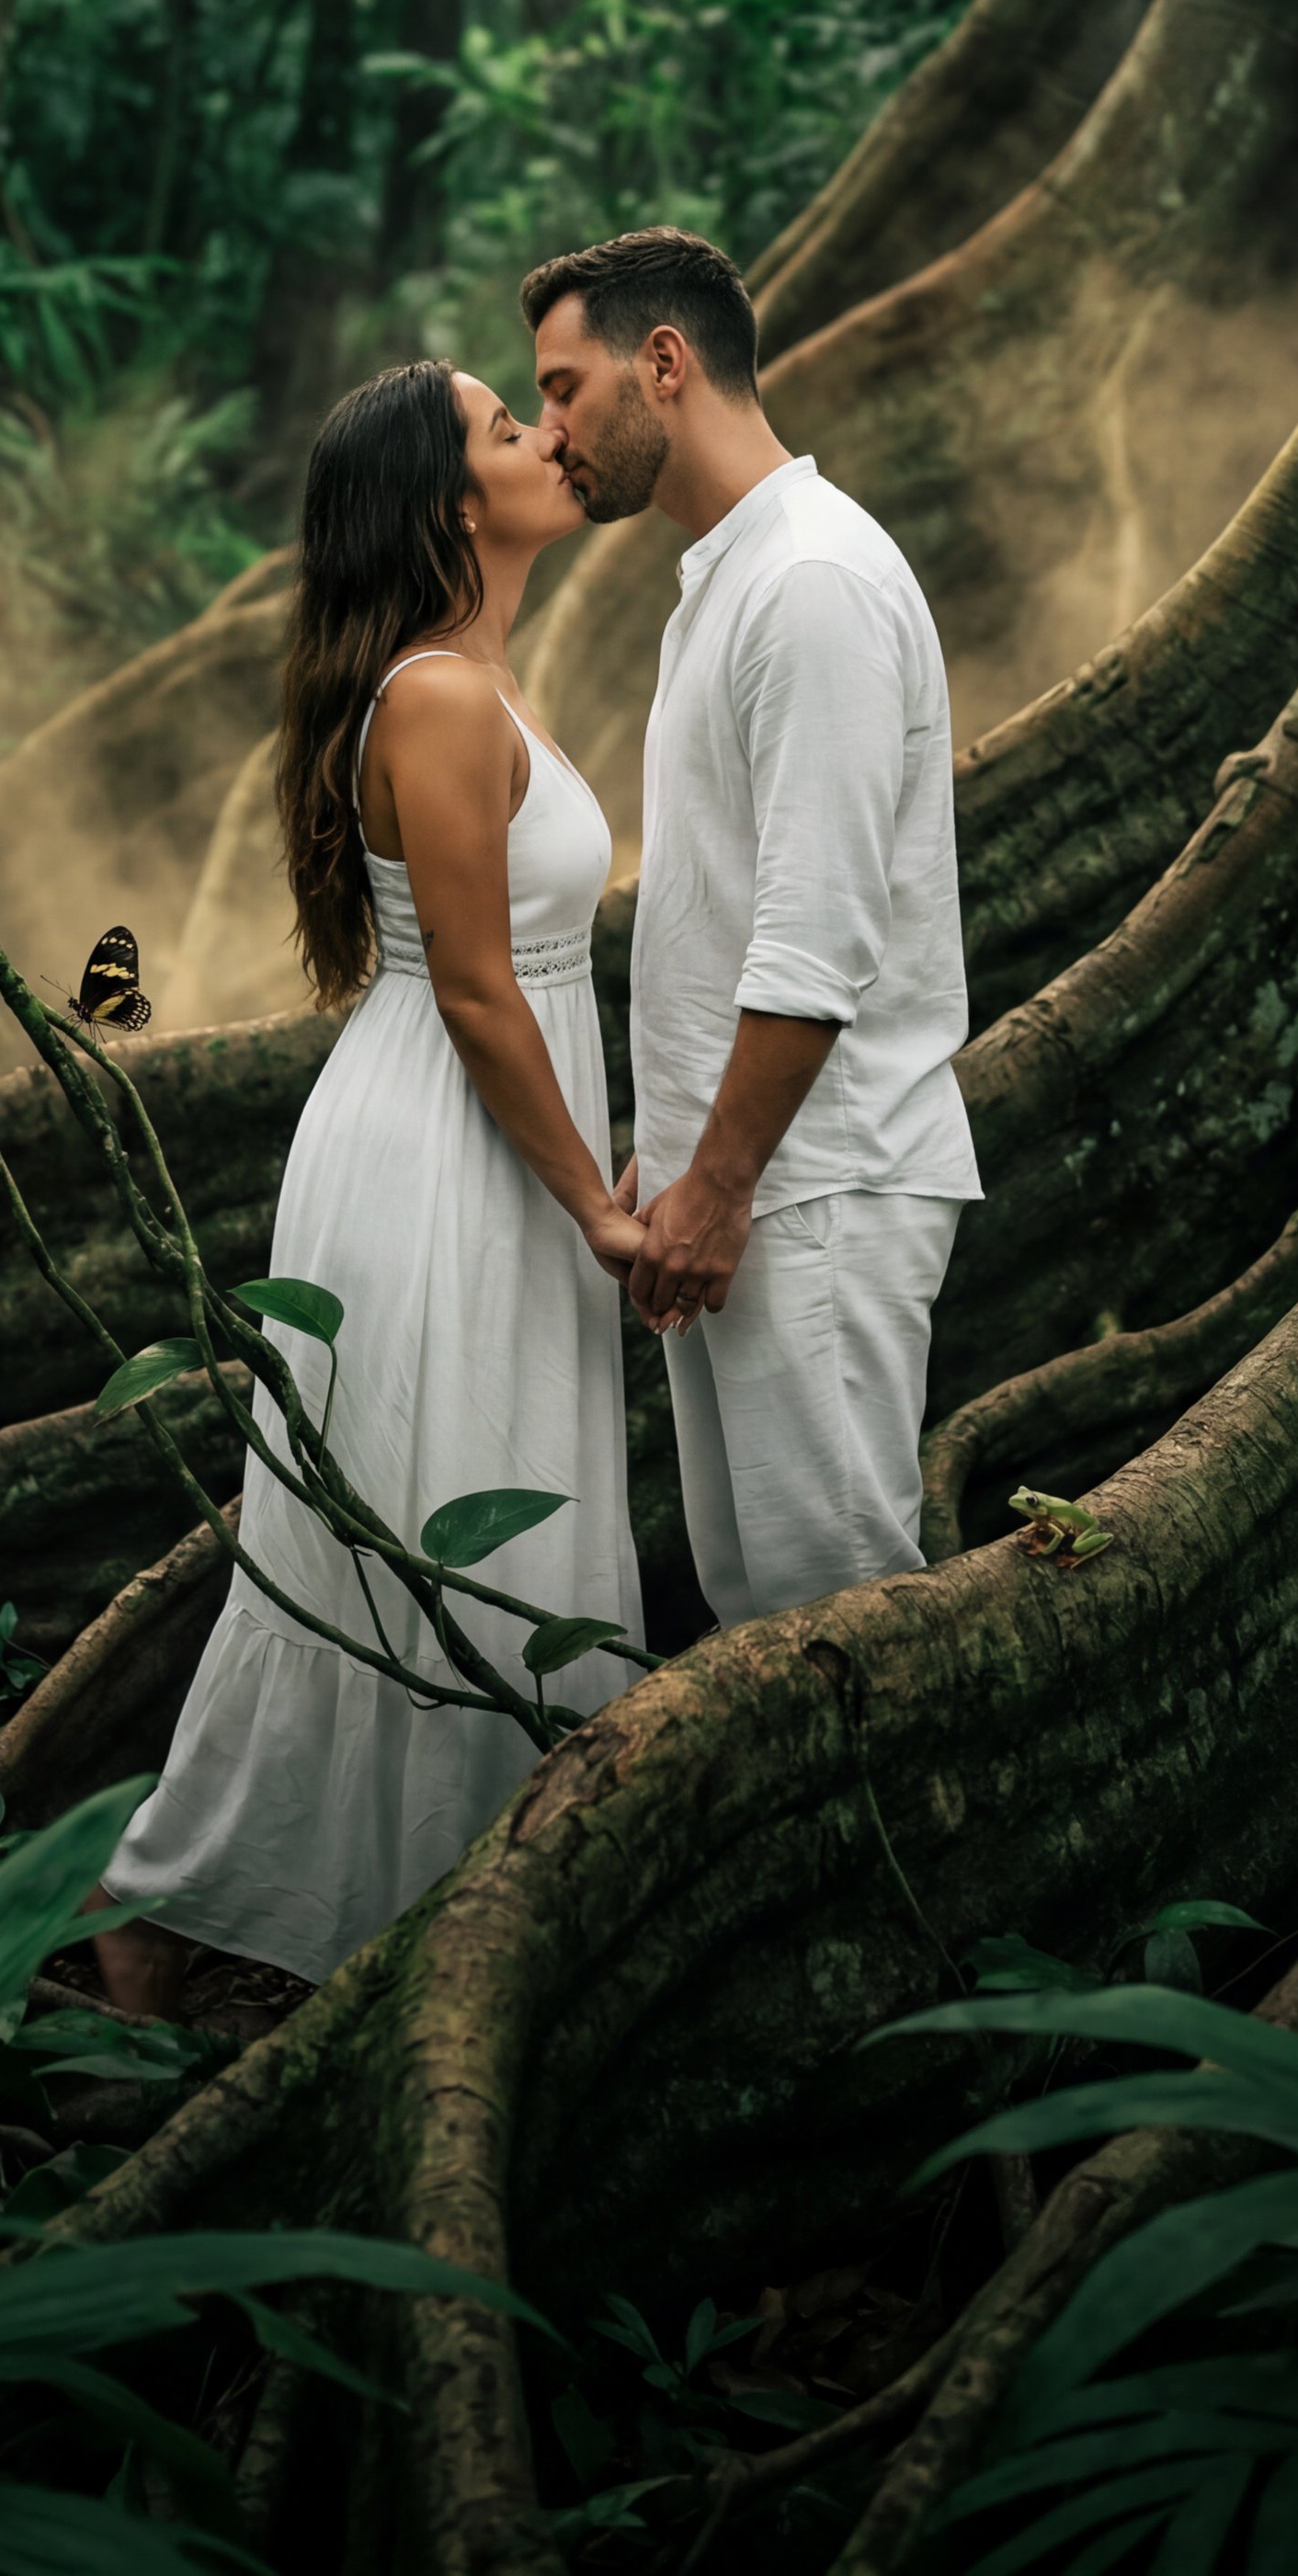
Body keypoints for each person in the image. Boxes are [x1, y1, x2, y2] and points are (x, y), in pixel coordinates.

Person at [90, 359, 644, 2012]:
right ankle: (177, 1898)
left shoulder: (484, 679)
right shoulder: (442, 698)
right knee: (419, 1506)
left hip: (484, 1134)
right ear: (445, 507)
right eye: (505, 427)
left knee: (472, 1485)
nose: (548, 436)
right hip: (443, 1149)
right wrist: (602, 1213)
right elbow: (479, 989)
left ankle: (441, 1909)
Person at [525, 226, 980, 1630]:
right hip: (740, 1183)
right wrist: (674, 1151)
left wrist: (715, 1185)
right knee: (759, 1620)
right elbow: (723, 903)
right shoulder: (727, 577)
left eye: (559, 388)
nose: (549, 435)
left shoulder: (810, 583)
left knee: (840, 1614)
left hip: (813, 1183)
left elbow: (816, 931)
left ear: (662, 364)